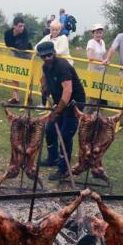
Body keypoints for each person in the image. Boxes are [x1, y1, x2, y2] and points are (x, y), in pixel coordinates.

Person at [36, 41, 86, 180]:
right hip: (60, 101)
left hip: (74, 102)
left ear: (54, 52)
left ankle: (64, 169)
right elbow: (45, 78)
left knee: (65, 135)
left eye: (49, 55)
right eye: (43, 56)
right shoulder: (46, 66)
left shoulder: (62, 66)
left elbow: (68, 90)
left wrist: (58, 111)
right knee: (50, 130)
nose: (46, 58)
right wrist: (45, 87)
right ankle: (53, 158)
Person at [4, 16, 32, 102]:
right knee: (15, 74)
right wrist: (15, 42)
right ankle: (15, 97)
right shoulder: (8, 33)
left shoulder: (25, 32)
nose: (22, 28)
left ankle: (29, 96)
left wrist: (14, 44)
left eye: (23, 26)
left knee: (29, 76)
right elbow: (8, 44)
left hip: (27, 55)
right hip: (16, 54)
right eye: (20, 26)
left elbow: (23, 46)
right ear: (14, 26)